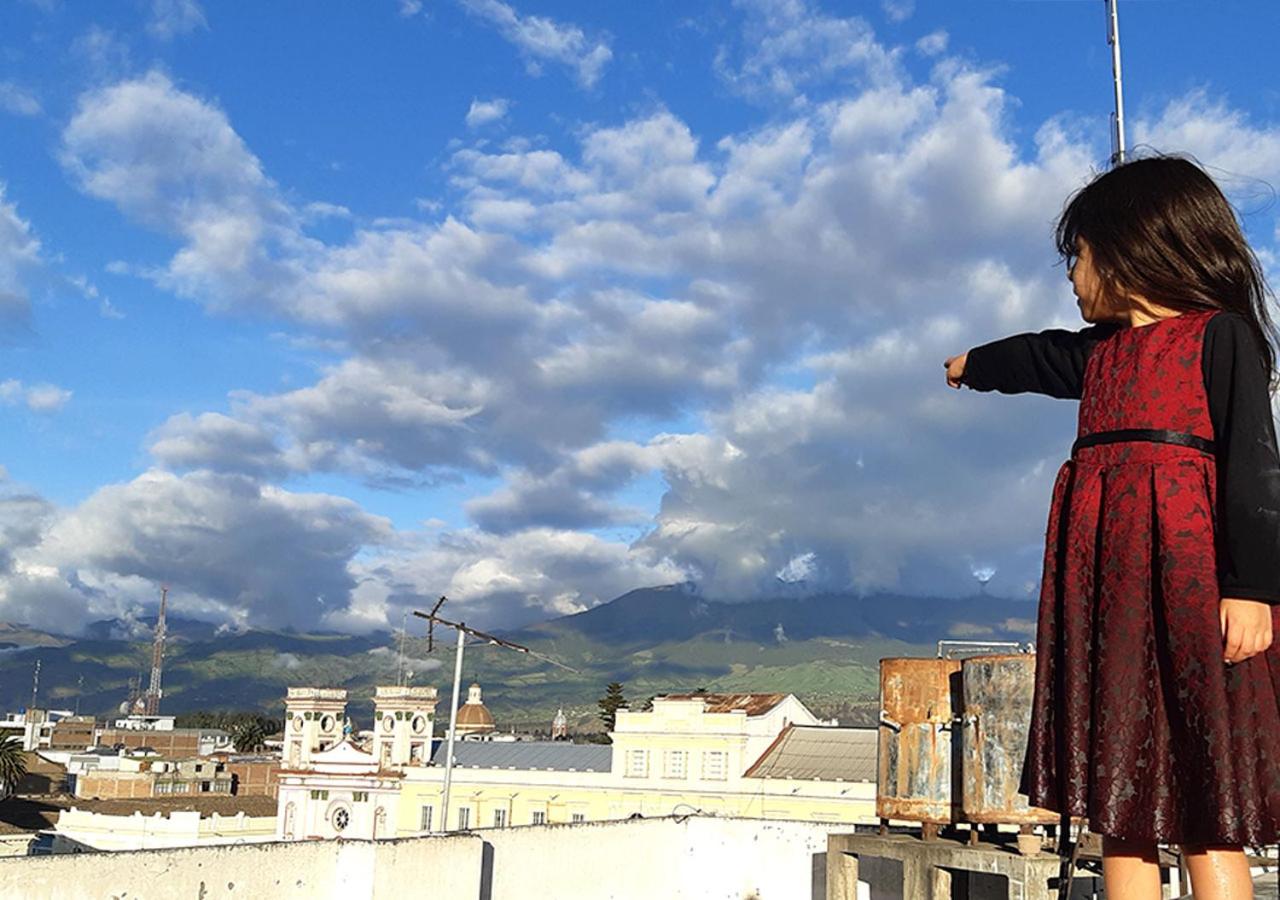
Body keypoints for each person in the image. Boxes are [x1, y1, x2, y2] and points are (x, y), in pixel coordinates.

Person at [945, 155, 1280, 900]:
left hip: (1194, 588)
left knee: (1205, 793)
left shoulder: (1219, 337)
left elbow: (1256, 468)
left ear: (1134, 249)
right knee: (1120, 793)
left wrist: (1253, 588)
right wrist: (973, 364)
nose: (1072, 274)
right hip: (1110, 596)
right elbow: (1038, 354)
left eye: (1081, 254)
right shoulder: (1100, 353)